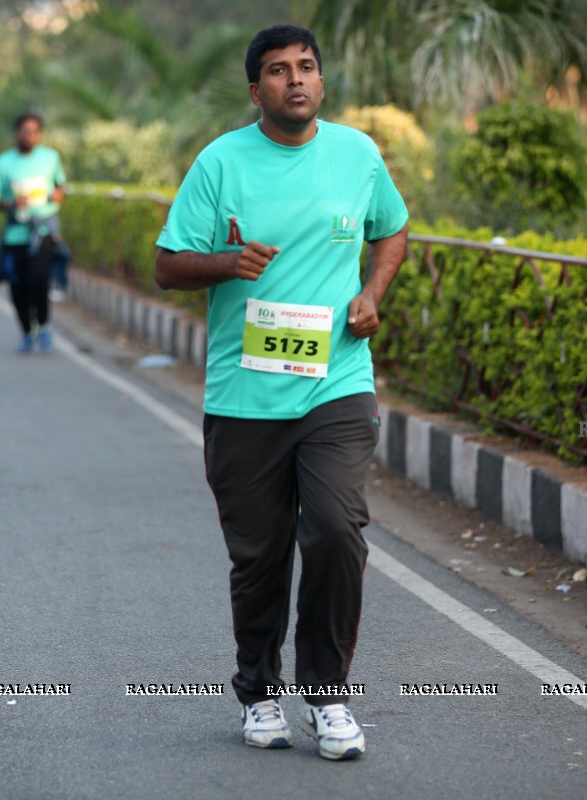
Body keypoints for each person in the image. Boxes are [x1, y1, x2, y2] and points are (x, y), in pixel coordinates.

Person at [153, 24, 409, 761]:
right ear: (255, 88)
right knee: (260, 557)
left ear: (321, 82)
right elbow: (168, 265)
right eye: (276, 70)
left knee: (334, 530)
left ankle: (327, 696)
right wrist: (229, 262)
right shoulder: (220, 162)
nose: (294, 80)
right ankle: (259, 692)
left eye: (306, 67)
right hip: (243, 397)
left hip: (337, 382)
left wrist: (372, 293)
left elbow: (391, 231)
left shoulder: (357, 154)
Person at [0, 112, 67, 353]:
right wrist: (11, 205)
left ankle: (44, 325)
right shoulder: (3, 163)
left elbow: (60, 185)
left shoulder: (50, 158)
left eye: (34, 132)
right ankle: (27, 331)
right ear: (16, 133)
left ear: (39, 134)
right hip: (15, 235)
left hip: (43, 232)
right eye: (25, 132)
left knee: (39, 280)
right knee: (18, 286)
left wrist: (59, 194)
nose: (29, 137)